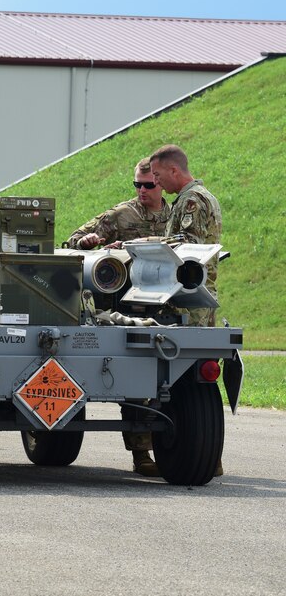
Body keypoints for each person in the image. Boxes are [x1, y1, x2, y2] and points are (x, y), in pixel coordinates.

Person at [68, 158, 170, 477]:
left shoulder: (175, 218)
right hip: (127, 309)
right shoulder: (120, 214)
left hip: (169, 306)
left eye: (148, 185)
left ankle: (191, 448)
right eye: (136, 185)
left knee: (180, 382)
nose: (141, 191)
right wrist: (88, 244)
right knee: (137, 383)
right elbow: (72, 241)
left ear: (161, 184)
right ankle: (142, 453)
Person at [150, 144, 223, 327]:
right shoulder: (196, 196)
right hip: (192, 297)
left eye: (157, 175)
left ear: (173, 171)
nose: (156, 182)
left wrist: (148, 243)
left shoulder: (192, 200)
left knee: (190, 353)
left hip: (190, 299)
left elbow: (189, 246)